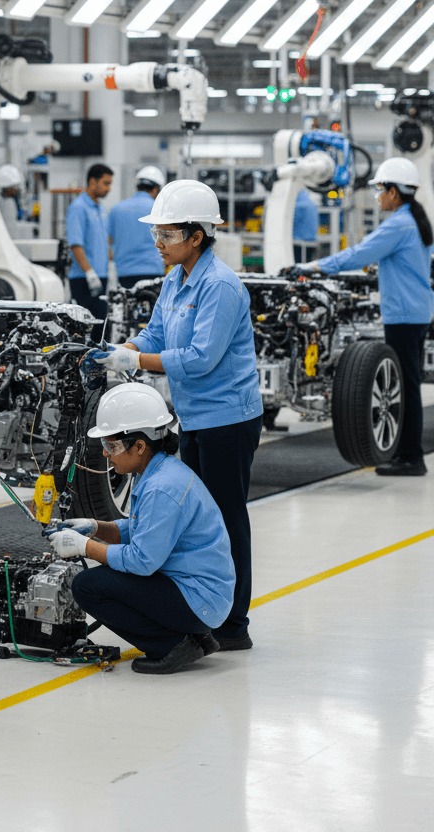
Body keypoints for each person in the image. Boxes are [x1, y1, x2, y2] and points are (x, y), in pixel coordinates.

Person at [92, 180, 263, 652]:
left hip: (228, 418)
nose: (158, 244)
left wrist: (136, 363)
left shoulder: (221, 286)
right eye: (157, 234)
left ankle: (234, 623)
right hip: (194, 416)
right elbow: (156, 334)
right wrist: (121, 351)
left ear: (197, 236)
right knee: (196, 517)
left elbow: (199, 357)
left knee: (228, 519)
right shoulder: (176, 279)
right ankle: (196, 606)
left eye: (167, 235)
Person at [48, 383, 234, 674]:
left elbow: (142, 561)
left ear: (139, 446)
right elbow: (143, 529)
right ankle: (192, 635)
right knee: (106, 575)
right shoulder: (158, 471)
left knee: (88, 586)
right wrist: (96, 528)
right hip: (198, 591)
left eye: (112, 446)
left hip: (199, 599)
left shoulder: (162, 487)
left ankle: (172, 644)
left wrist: (85, 548)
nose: (107, 454)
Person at [296, 157, 434, 476]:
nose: (378, 197)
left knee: (405, 386)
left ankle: (411, 457)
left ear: (394, 192)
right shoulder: (415, 219)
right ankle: (407, 453)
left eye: (380, 190)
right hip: (415, 310)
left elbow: (357, 254)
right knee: (407, 383)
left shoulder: (399, 223)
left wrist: (312, 267)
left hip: (404, 315)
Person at [66, 163, 113, 320]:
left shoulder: (102, 210)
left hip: (101, 276)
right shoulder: (78, 207)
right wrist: (89, 272)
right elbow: (75, 244)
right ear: (93, 181)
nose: (109, 189)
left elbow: (104, 242)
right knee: (85, 326)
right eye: (106, 183)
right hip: (83, 279)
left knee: (100, 325)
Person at [108, 165, 166, 287]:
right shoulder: (159, 209)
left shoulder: (116, 209)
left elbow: (109, 240)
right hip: (153, 271)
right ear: (156, 189)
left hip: (124, 273)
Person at [292, 188, 319, 263]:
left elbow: (290, 222)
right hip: (311, 242)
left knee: (296, 266)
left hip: (298, 243)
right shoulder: (311, 204)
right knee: (307, 265)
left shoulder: (297, 205)